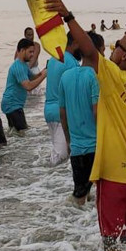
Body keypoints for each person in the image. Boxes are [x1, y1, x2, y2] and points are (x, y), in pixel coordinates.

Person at [45, 0, 126, 248]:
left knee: (111, 244)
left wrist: (67, 15)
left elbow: (88, 51)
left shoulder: (113, 76)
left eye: (119, 44)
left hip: (112, 176)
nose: (114, 47)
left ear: (124, 56)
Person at [60, 30, 103, 205]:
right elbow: (96, 112)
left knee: (80, 195)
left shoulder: (66, 76)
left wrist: (69, 140)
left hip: (77, 148)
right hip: (95, 146)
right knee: (101, 195)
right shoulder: (94, 77)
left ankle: (72, 228)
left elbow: (62, 113)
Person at [44, 33, 82, 166]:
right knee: (60, 158)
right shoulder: (71, 62)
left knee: (57, 153)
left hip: (49, 111)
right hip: (62, 113)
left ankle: (46, 180)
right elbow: (75, 93)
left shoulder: (54, 57)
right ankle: (46, 182)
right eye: (81, 44)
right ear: (74, 43)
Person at [0, 38, 47, 133]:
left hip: (14, 104)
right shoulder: (18, 66)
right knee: (23, 132)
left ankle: (12, 147)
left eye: (33, 52)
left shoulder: (24, 65)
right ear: (22, 50)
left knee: (15, 133)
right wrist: (44, 75)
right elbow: (28, 86)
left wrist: (45, 70)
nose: (32, 55)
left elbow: (32, 77)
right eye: (30, 52)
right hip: (12, 104)